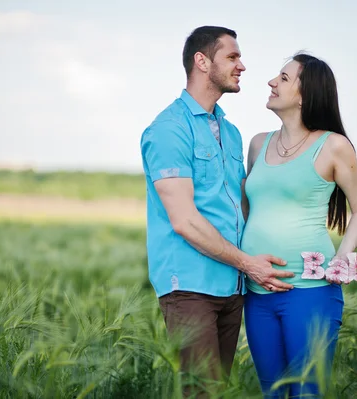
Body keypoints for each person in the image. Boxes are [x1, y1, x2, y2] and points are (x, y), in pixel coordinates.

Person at [139, 26, 295, 397]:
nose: (242, 65)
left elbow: (242, 207)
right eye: (233, 57)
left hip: (233, 288)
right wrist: (248, 263)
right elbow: (184, 220)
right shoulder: (168, 129)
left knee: (217, 391)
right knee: (202, 393)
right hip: (190, 288)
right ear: (202, 61)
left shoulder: (232, 132)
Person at [240, 52, 357, 398]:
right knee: (272, 393)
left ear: (305, 93)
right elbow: (247, 210)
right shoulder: (257, 144)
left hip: (310, 293)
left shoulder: (334, 146)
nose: (271, 82)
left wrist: (344, 255)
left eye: (283, 78)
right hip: (258, 293)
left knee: (307, 393)